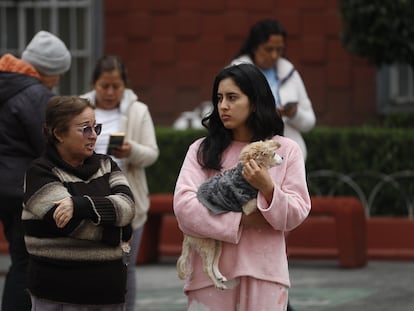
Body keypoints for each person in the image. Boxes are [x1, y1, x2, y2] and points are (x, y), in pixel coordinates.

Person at [173, 63, 311, 311]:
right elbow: (184, 208)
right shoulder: (201, 150)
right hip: (210, 278)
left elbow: (297, 211)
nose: (223, 106)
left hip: (265, 273)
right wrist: (241, 222)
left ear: (255, 102)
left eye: (232, 97)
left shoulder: (285, 150)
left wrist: (268, 189)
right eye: (219, 98)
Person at [22, 96, 135, 309]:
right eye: (85, 129)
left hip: (108, 293)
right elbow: (70, 225)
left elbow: (128, 207)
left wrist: (80, 205)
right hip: (57, 294)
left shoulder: (107, 165)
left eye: (96, 127)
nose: (93, 136)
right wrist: (121, 233)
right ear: (58, 134)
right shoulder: (39, 173)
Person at [81, 54, 159, 311]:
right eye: (104, 86)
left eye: (116, 86)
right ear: (94, 84)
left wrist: (131, 150)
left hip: (129, 200)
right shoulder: (80, 108)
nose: (110, 92)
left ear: (125, 86)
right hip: (88, 198)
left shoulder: (138, 111)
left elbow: (151, 153)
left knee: (125, 266)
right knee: (89, 265)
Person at [0, 30, 71, 310]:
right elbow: (49, 146)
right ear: (47, 70)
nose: (58, 80)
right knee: (24, 261)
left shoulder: (6, 83)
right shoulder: (36, 95)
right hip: (20, 189)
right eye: (58, 73)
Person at [231, 18, 316, 161]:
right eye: (268, 49)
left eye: (279, 50)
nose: (274, 55)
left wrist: (294, 113)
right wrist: (265, 114)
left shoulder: (289, 72)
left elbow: (309, 122)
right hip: (247, 155)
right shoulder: (236, 73)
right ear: (254, 47)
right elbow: (225, 114)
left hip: (287, 157)